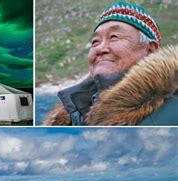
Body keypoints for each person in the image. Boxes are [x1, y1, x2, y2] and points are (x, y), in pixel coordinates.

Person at [43, 2, 177, 126]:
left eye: (114, 37)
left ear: (150, 50)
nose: (100, 48)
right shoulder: (72, 108)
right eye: (95, 41)